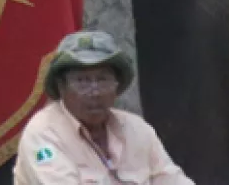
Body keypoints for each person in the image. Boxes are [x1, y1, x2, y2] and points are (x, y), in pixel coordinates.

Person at [13, 31, 195, 185]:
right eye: (82, 81)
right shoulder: (44, 133)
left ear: (116, 85)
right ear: (62, 87)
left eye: (102, 79)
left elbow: (173, 179)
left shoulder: (136, 129)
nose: (95, 92)